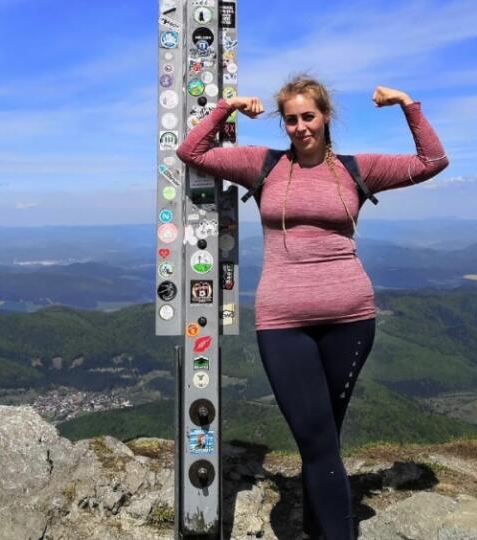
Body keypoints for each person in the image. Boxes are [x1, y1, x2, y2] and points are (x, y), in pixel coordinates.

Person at [176, 74, 448, 539]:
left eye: (309, 116)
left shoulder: (355, 169)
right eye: (291, 119)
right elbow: (192, 152)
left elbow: (433, 161)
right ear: (282, 124)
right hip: (283, 321)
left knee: (322, 441)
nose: (300, 127)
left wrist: (407, 103)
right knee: (317, 440)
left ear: (325, 117)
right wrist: (228, 107)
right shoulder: (262, 167)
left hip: (351, 318)